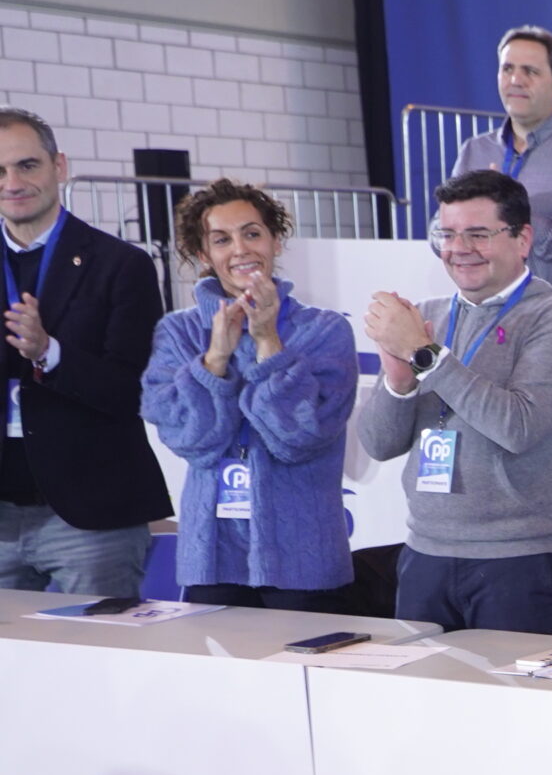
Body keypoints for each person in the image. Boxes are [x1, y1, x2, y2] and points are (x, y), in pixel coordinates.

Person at [356, 170, 552, 634]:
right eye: (448, 234)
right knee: (425, 683)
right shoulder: (426, 316)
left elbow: (518, 428)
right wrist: (399, 382)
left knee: (510, 685)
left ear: (522, 239)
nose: (459, 248)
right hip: (425, 550)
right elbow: (379, 444)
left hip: (519, 557)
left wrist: (426, 354)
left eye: (478, 234)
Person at [142, 180, 356, 610]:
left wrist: (268, 342)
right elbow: (190, 441)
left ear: (275, 241)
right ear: (204, 255)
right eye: (221, 239)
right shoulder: (179, 332)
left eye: (252, 233)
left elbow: (302, 438)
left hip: (304, 558)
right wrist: (215, 360)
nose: (240, 249)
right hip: (212, 557)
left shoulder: (325, 329)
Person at [0, 108, 168, 595]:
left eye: (27, 165)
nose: (12, 183)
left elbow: (131, 391)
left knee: (99, 645)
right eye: (0, 171)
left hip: (91, 516)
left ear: (60, 166)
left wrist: (48, 352)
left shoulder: (122, 265)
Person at [453, 27, 552, 311]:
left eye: (530, 71)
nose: (516, 80)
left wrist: (519, 218)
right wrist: (466, 224)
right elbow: (438, 233)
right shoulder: (474, 151)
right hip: (482, 317)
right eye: (507, 69)